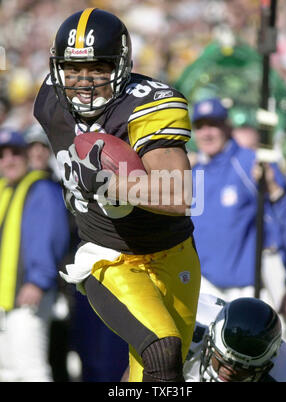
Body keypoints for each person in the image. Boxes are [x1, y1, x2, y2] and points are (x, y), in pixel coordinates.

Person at [34, 8, 201, 382]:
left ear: (122, 66)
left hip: (174, 255)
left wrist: (110, 181)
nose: (83, 82)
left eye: (98, 68)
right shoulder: (49, 101)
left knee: (156, 371)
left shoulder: (147, 105)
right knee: (162, 351)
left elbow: (180, 195)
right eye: (74, 69)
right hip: (109, 257)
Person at [190, 97, 286, 355]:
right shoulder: (192, 171)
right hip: (205, 291)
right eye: (201, 125)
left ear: (227, 126)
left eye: (214, 124)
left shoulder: (251, 163)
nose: (207, 132)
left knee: (273, 358)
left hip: (252, 289)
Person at [0, 128, 69, 381]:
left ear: (26, 155)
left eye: (16, 152)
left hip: (28, 292)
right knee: (7, 371)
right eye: (2, 154)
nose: (9, 159)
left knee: (31, 369)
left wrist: (37, 281)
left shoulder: (41, 189)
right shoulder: (5, 189)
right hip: (5, 297)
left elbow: (49, 238)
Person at [183, 293, 286, 382]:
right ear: (210, 338)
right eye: (225, 361)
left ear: (266, 365)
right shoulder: (185, 325)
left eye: (242, 367)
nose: (230, 372)